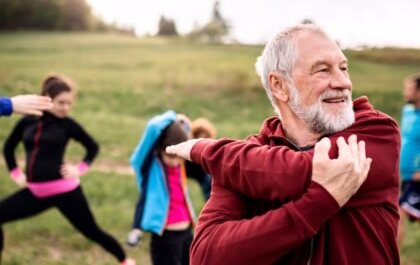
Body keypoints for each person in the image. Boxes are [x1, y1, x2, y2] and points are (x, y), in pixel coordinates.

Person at [166, 24, 401, 264]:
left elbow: (296, 172)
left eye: (343, 68)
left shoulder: (376, 131)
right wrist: (318, 203)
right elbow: (207, 256)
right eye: (322, 70)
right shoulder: (245, 160)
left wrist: (208, 150)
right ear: (279, 85)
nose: (343, 82)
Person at [1, 74, 135, 265]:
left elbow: (92, 146)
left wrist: (79, 168)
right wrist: (15, 173)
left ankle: (125, 260)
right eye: (61, 102)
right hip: (35, 193)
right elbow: (8, 147)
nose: (65, 107)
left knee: (92, 231)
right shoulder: (27, 121)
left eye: (69, 103)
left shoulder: (68, 125)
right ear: (47, 98)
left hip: (65, 191)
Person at [127, 110, 195, 265]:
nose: (175, 161)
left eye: (178, 157)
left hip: (186, 233)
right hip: (165, 237)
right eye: (170, 156)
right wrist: (174, 116)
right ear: (159, 148)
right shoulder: (148, 167)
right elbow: (153, 126)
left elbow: (188, 134)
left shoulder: (180, 165)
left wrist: (183, 123)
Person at [398, 74, 420, 247]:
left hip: (417, 178)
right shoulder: (408, 112)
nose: (405, 92)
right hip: (406, 177)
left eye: (409, 89)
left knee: (399, 213)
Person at [185, 118, 217, 200]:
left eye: (205, 139)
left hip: (201, 172)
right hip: (186, 168)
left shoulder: (209, 153)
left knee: (209, 184)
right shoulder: (187, 149)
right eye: (198, 138)